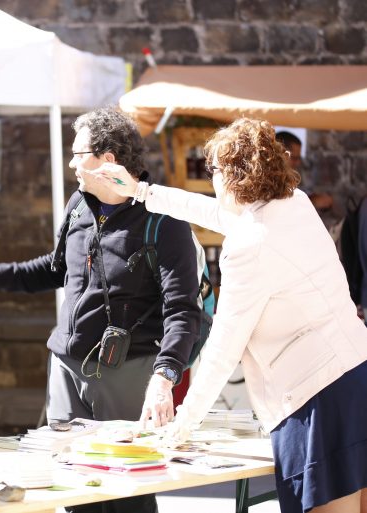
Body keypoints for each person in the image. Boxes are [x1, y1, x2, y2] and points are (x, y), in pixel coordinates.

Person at [83, 118, 367, 513]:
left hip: (319, 396)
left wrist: (182, 426)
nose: (211, 178)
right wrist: (142, 192)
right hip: (354, 374)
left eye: (213, 169)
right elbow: (217, 214)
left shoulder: (251, 245)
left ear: (235, 175)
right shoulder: (293, 204)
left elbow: (222, 348)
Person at [0, 107, 201, 513]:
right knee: (72, 485)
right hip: (66, 368)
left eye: (77, 153)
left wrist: (165, 376)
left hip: (127, 370)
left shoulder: (164, 220)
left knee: (125, 491)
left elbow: (182, 309)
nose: (71, 163)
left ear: (108, 158)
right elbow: (56, 268)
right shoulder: (79, 205)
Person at [276, 131, 334, 212]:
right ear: (281, 155)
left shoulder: (294, 174)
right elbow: (282, 206)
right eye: (294, 158)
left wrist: (314, 198)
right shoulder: (269, 179)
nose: (298, 162)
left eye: (299, 158)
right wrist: (313, 201)